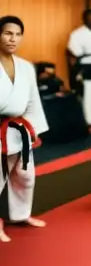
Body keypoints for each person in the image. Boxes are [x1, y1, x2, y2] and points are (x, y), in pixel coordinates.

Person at [0, 16, 49, 242]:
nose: (13, 38)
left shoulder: (26, 67)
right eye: (8, 33)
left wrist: (34, 128)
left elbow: (33, 101)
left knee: (25, 175)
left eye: (18, 34)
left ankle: (21, 215)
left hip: (19, 128)